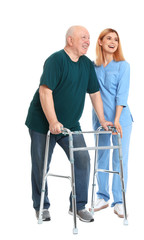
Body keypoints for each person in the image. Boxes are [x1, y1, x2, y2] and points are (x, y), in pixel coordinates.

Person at [25, 26, 113, 223]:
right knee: (41, 165)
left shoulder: (86, 65)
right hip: (42, 123)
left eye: (89, 38)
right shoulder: (56, 60)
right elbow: (45, 92)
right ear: (70, 40)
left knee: (82, 159)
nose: (88, 41)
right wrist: (53, 121)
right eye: (83, 37)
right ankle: (41, 205)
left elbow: (94, 93)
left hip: (70, 125)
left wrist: (102, 119)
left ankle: (78, 205)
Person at [92, 28, 133, 218]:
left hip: (120, 120)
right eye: (108, 38)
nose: (113, 42)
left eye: (116, 39)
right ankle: (102, 195)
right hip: (100, 119)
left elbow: (121, 95)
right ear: (100, 42)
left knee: (119, 159)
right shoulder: (93, 66)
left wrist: (116, 120)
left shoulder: (123, 66)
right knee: (101, 156)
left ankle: (119, 201)